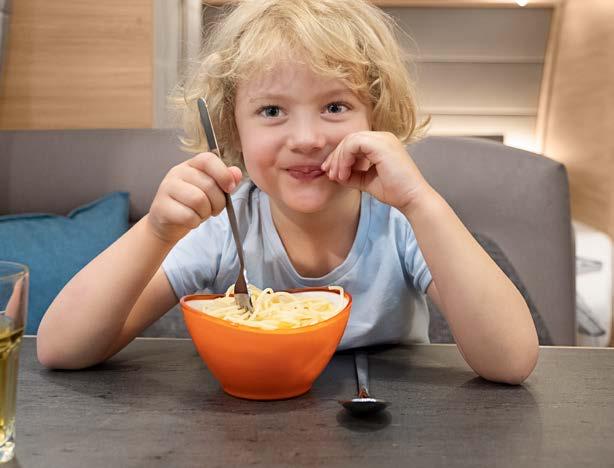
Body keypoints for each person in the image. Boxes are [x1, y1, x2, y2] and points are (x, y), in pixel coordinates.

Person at [37, 0, 538, 384]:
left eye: (335, 106)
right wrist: (156, 229)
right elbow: (60, 348)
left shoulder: (400, 223)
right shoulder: (221, 230)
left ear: (376, 119)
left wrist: (421, 201)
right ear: (233, 131)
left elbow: (511, 360)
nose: (306, 139)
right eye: (272, 111)